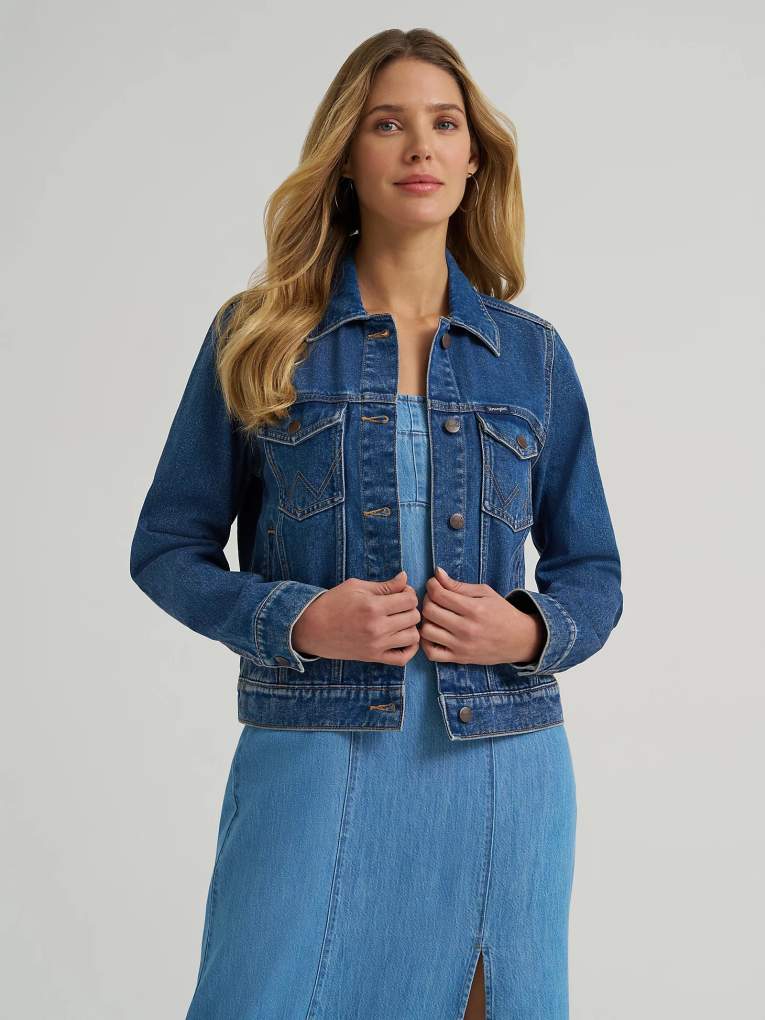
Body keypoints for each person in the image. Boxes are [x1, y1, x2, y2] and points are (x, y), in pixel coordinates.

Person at [130, 27, 623, 1020]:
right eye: (387, 124)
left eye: (445, 124)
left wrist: (529, 631)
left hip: (499, 763)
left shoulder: (530, 357)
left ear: (474, 158)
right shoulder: (258, 337)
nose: (420, 146)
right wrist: (298, 619)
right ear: (346, 156)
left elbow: (594, 571)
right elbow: (167, 550)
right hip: (312, 757)